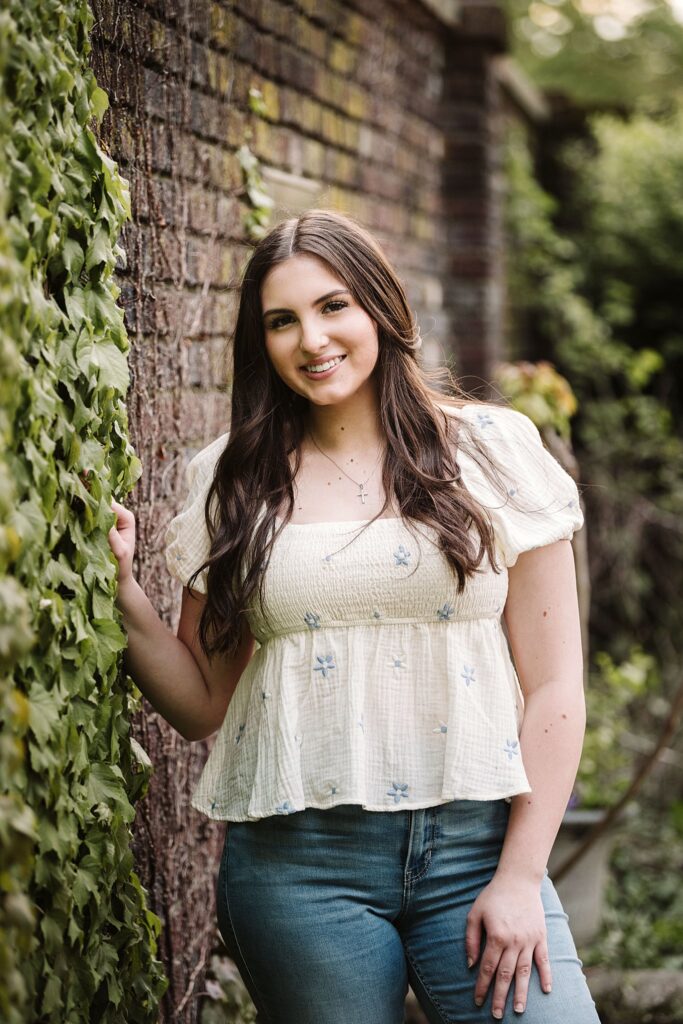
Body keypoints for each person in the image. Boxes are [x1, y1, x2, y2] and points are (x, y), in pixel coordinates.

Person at [108, 209, 601, 1024]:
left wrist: (518, 876)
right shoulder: (231, 481)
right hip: (299, 868)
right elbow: (200, 704)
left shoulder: (492, 450)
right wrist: (123, 592)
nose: (312, 339)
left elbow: (553, 685)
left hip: (477, 847)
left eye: (333, 306)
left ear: (379, 308)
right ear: (258, 342)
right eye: (282, 320)